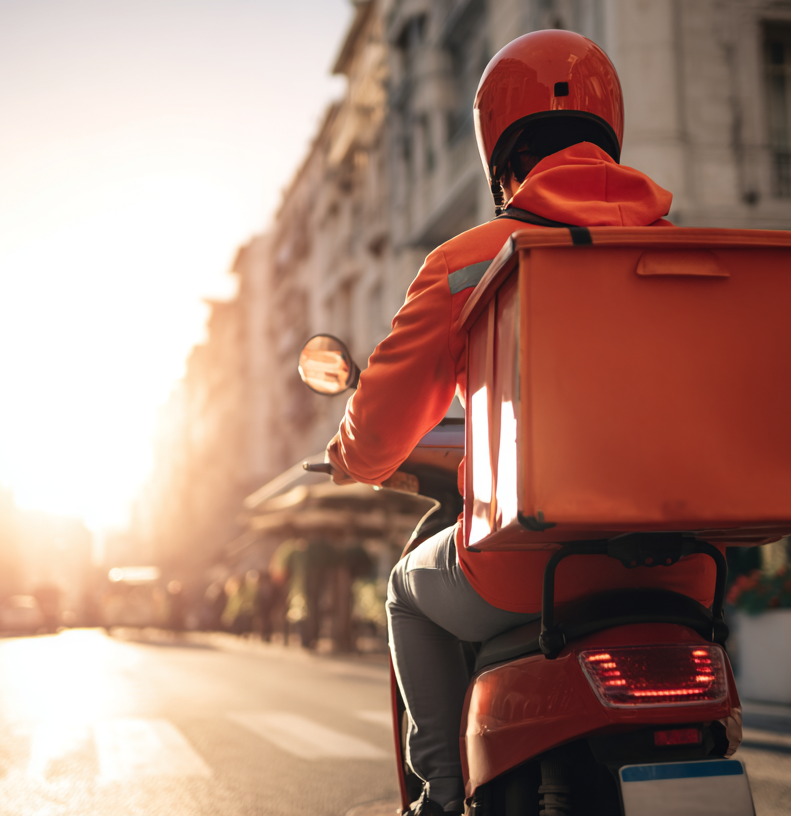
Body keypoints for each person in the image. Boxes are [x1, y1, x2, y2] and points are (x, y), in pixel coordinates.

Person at [322, 31, 737, 815]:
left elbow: (378, 432)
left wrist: (350, 457)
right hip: (685, 568)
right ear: (609, 128)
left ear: (498, 149)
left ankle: (441, 792)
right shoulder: (696, 256)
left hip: (525, 572)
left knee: (405, 591)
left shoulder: (472, 260)